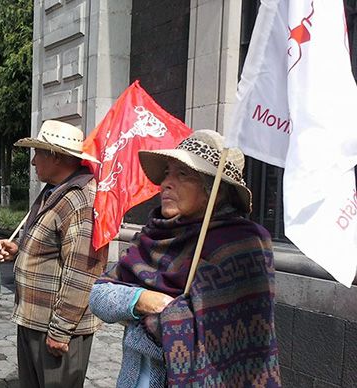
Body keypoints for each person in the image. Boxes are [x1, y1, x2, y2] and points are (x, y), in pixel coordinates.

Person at [88, 130, 281, 387]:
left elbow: (233, 339)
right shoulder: (153, 235)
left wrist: (156, 317)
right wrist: (141, 299)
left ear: (215, 191)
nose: (166, 183)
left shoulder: (243, 244)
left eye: (182, 175)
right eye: (167, 172)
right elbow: (98, 295)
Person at [0, 120, 107, 388]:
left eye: (38, 153)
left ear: (55, 156)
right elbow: (53, 247)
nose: (33, 162)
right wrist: (19, 251)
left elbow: (82, 270)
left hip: (56, 326)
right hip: (34, 317)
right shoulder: (54, 191)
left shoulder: (79, 199)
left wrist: (60, 330)